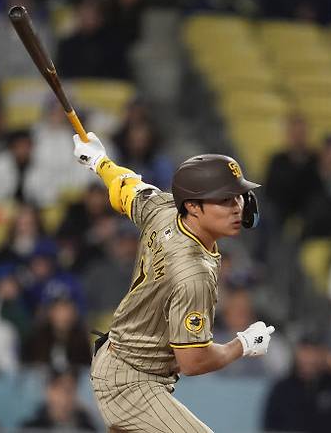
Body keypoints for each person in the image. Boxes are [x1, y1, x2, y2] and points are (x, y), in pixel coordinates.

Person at [73, 131, 275, 432]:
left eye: (238, 196)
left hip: (127, 365)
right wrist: (242, 345)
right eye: (223, 199)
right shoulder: (193, 273)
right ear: (193, 206)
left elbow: (127, 186)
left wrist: (99, 162)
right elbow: (193, 361)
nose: (237, 207)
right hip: (131, 382)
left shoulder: (165, 208)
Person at [262, 332, 331, 433]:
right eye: (305, 351)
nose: (310, 358)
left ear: (323, 354)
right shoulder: (281, 390)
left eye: (314, 351)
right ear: (296, 353)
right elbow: (270, 427)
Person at [22, 367, 97, 430]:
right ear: (48, 390)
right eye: (57, 389)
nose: (63, 397)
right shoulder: (30, 428)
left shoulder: (87, 428)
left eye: (69, 390)